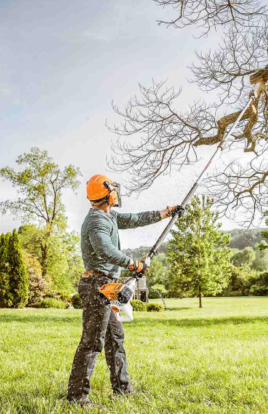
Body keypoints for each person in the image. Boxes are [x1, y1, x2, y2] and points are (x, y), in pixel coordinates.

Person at [67, 174, 182, 406]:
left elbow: (136, 218)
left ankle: (122, 388)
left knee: (115, 338)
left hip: (107, 286)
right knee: (92, 342)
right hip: (97, 286)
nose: (117, 193)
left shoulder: (108, 216)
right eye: (114, 190)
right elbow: (105, 250)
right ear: (108, 194)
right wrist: (132, 264)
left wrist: (166, 212)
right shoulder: (96, 222)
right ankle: (77, 397)